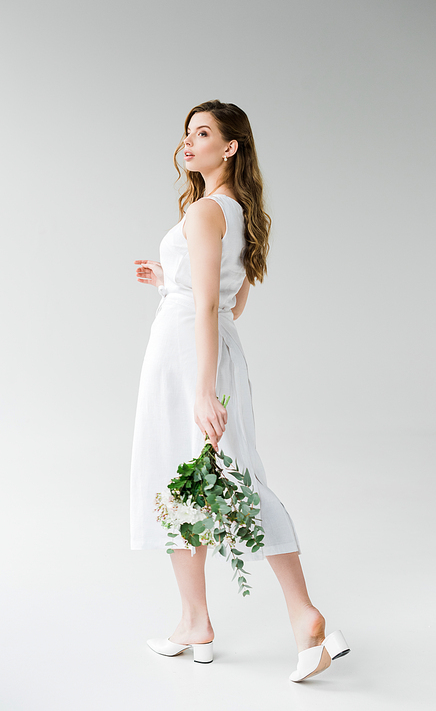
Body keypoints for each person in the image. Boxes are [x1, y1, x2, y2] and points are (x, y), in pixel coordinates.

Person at [130, 100, 350, 680]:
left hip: (189, 357)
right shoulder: (237, 212)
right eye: (186, 132)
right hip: (204, 347)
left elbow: (207, 303)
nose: (188, 141)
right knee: (194, 483)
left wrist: (204, 390)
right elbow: (233, 300)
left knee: (222, 478)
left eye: (202, 132)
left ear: (230, 147)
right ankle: (195, 622)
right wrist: (169, 281)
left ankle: (304, 617)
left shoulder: (205, 211)